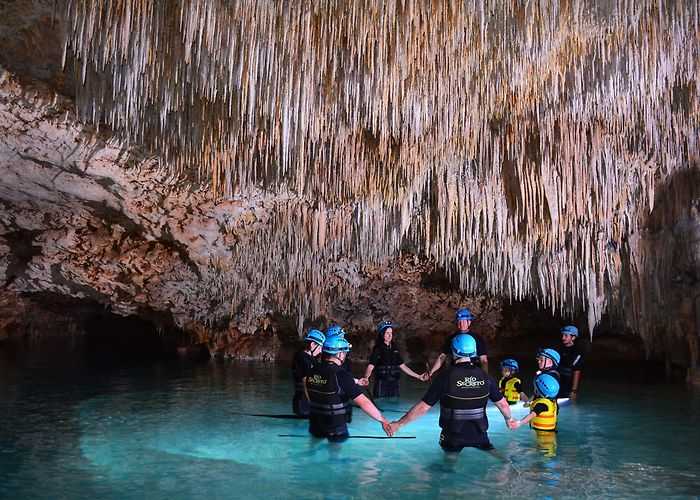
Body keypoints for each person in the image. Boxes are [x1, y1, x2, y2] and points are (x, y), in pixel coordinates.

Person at [385, 334, 515, 452]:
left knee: (449, 466)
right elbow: (502, 404)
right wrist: (509, 419)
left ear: (454, 352)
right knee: (493, 453)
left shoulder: (445, 377)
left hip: (452, 435)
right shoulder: (486, 378)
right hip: (480, 434)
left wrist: (399, 424)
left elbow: (423, 407)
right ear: (474, 352)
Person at [305, 335, 390, 441]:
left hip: (316, 424)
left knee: (313, 451)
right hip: (335, 426)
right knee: (334, 455)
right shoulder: (341, 374)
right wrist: (383, 420)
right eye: (345, 352)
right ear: (340, 353)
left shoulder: (312, 371)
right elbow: (364, 402)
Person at [359, 321, 423, 397]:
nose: (390, 336)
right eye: (387, 333)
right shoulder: (377, 349)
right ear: (382, 334)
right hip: (381, 383)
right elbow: (371, 365)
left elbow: (403, 366)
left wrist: (419, 376)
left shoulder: (394, 348)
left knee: (394, 403)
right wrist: (366, 377)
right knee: (381, 403)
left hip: (394, 383)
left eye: (391, 333)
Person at [423, 309, 488, 380]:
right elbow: (442, 356)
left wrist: (485, 377)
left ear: (469, 322)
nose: (461, 324)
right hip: (456, 372)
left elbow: (483, 360)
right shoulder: (451, 339)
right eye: (459, 321)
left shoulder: (477, 339)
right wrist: (431, 371)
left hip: (474, 372)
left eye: (463, 321)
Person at [510, 374, 560, 457]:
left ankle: (521, 449)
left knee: (539, 450)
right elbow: (530, 405)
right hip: (549, 434)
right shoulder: (550, 402)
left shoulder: (541, 404)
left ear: (538, 391)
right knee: (545, 451)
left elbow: (531, 415)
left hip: (543, 435)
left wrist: (518, 423)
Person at [291, 329, 325, 416]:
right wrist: (313, 404)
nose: (321, 351)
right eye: (320, 347)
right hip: (304, 402)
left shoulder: (312, 359)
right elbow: (306, 382)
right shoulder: (302, 359)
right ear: (313, 344)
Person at [558, 325, 584, 400]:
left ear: (573, 338)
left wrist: (573, 390)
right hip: (558, 382)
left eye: (566, 335)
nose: (563, 338)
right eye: (563, 335)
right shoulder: (560, 350)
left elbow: (577, 371)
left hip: (568, 385)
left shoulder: (577, 353)